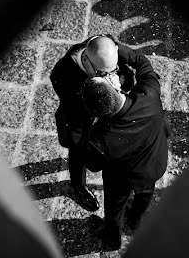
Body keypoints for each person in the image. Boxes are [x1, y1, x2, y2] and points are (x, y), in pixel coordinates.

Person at [79, 48, 168, 251]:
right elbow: (143, 62)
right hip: (153, 165)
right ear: (115, 86)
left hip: (121, 179)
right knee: (145, 194)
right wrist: (116, 49)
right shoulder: (149, 95)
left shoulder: (100, 137)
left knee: (114, 210)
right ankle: (135, 220)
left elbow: (92, 165)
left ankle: (112, 240)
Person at [49, 35, 138, 215]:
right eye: (103, 73)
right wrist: (100, 88)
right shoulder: (63, 74)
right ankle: (77, 186)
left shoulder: (105, 49)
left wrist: (121, 84)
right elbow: (75, 108)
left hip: (106, 122)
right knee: (78, 153)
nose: (110, 76)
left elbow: (126, 71)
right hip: (80, 124)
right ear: (87, 61)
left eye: (112, 71)